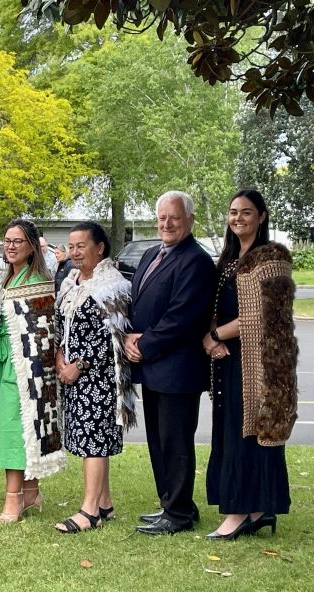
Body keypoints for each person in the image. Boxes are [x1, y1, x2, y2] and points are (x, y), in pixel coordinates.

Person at [202, 189, 296, 540]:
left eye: (246, 212)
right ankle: (256, 510)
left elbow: (260, 314)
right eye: (232, 212)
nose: (238, 218)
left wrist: (214, 337)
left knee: (252, 435)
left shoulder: (271, 258)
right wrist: (211, 338)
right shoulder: (228, 259)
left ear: (262, 216)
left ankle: (242, 512)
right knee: (229, 433)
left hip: (259, 362)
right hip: (228, 359)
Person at [125, 190, 216, 535]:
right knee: (159, 440)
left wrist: (144, 345)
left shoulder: (196, 260)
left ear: (189, 220)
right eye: (162, 217)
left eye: (174, 218)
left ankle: (178, 514)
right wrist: (128, 337)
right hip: (153, 369)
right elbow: (138, 303)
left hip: (177, 369)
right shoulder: (151, 253)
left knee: (176, 442)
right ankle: (173, 504)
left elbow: (183, 317)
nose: (166, 224)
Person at [54, 222, 137, 532]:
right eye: (71, 246)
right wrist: (60, 356)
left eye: (81, 245)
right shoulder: (71, 281)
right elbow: (61, 323)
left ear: (100, 248)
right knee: (88, 438)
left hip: (99, 376)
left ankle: (89, 512)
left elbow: (113, 335)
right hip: (72, 374)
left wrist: (81, 363)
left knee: (94, 441)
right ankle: (105, 503)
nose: (75, 252)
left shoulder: (112, 284)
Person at [0, 218, 65, 524]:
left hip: (25, 369)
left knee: (14, 431)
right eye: (6, 241)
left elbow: (43, 331)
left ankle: (14, 499)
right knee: (14, 429)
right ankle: (31, 491)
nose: (10, 247)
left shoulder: (36, 279)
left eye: (17, 242)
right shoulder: (7, 277)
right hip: (5, 360)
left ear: (32, 246)